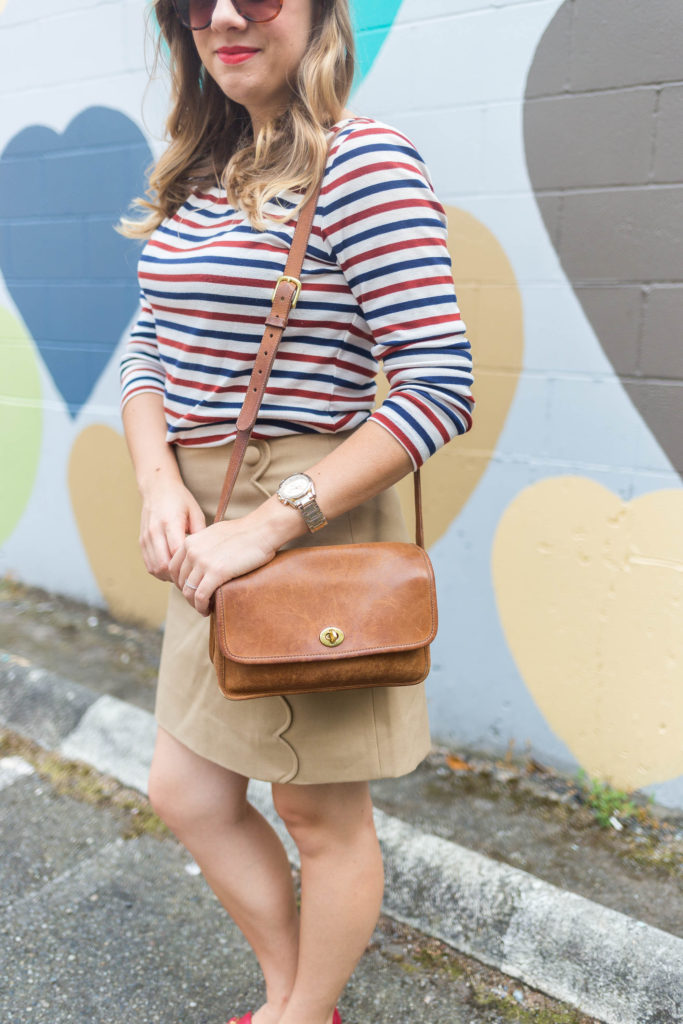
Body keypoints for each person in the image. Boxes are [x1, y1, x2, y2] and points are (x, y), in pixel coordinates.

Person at [119, 1, 474, 1022]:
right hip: (204, 522)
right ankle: (297, 999)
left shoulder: (361, 162)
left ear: (317, 14)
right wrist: (156, 483)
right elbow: (149, 349)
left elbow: (437, 383)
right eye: (199, 3)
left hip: (297, 522)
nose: (225, 16)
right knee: (185, 792)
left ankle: (296, 1008)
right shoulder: (195, 171)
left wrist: (268, 523)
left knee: (316, 810)